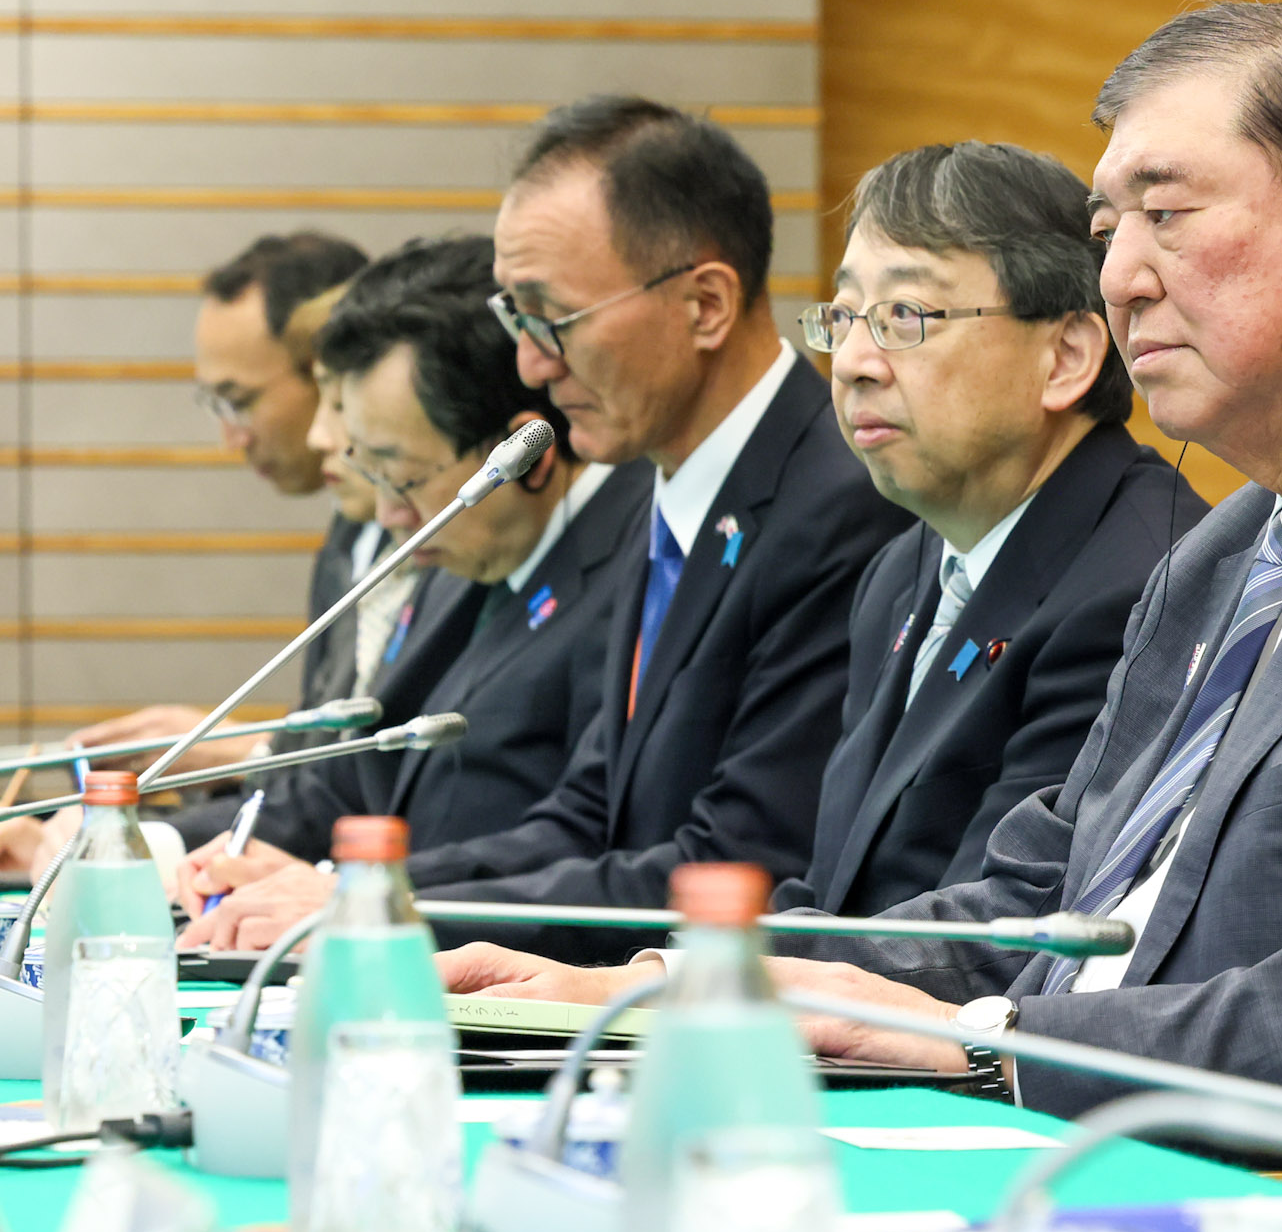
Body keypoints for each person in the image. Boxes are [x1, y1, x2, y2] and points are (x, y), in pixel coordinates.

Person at [441, 3, 1282, 1162]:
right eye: (1109, 231)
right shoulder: (1232, 551)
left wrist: (993, 1046)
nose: (1115, 276)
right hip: (1133, 1154)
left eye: (1166, 217)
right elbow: (1040, 894)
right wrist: (704, 977)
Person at [186, 97, 908, 954]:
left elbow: (734, 865)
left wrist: (383, 914)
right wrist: (353, 893)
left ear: (705, 304)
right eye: (514, 321)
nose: (530, 364)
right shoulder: (658, 486)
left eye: (553, 321)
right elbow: (584, 816)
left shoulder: (840, 504)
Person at [778, 140, 1206, 914]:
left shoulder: (1147, 584)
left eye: (904, 316)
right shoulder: (902, 569)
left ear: (1067, 356)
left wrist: (682, 983)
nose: (852, 363)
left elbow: (997, 925)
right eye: (843, 317)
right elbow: (837, 892)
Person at [171, 238, 650, 902]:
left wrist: (349, 894)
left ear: (524, 456)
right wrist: (176, 852)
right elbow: (353, 772)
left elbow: (585, 838)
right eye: (377, 476)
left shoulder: (639, 562)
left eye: (404, 478)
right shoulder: (455, 546)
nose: (393, 515)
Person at [62, 233, 377, 779]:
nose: (231, 438)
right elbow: (332, 746)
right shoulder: (350, 531)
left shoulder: (447, 537)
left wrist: (240, 751)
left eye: (240, 401)